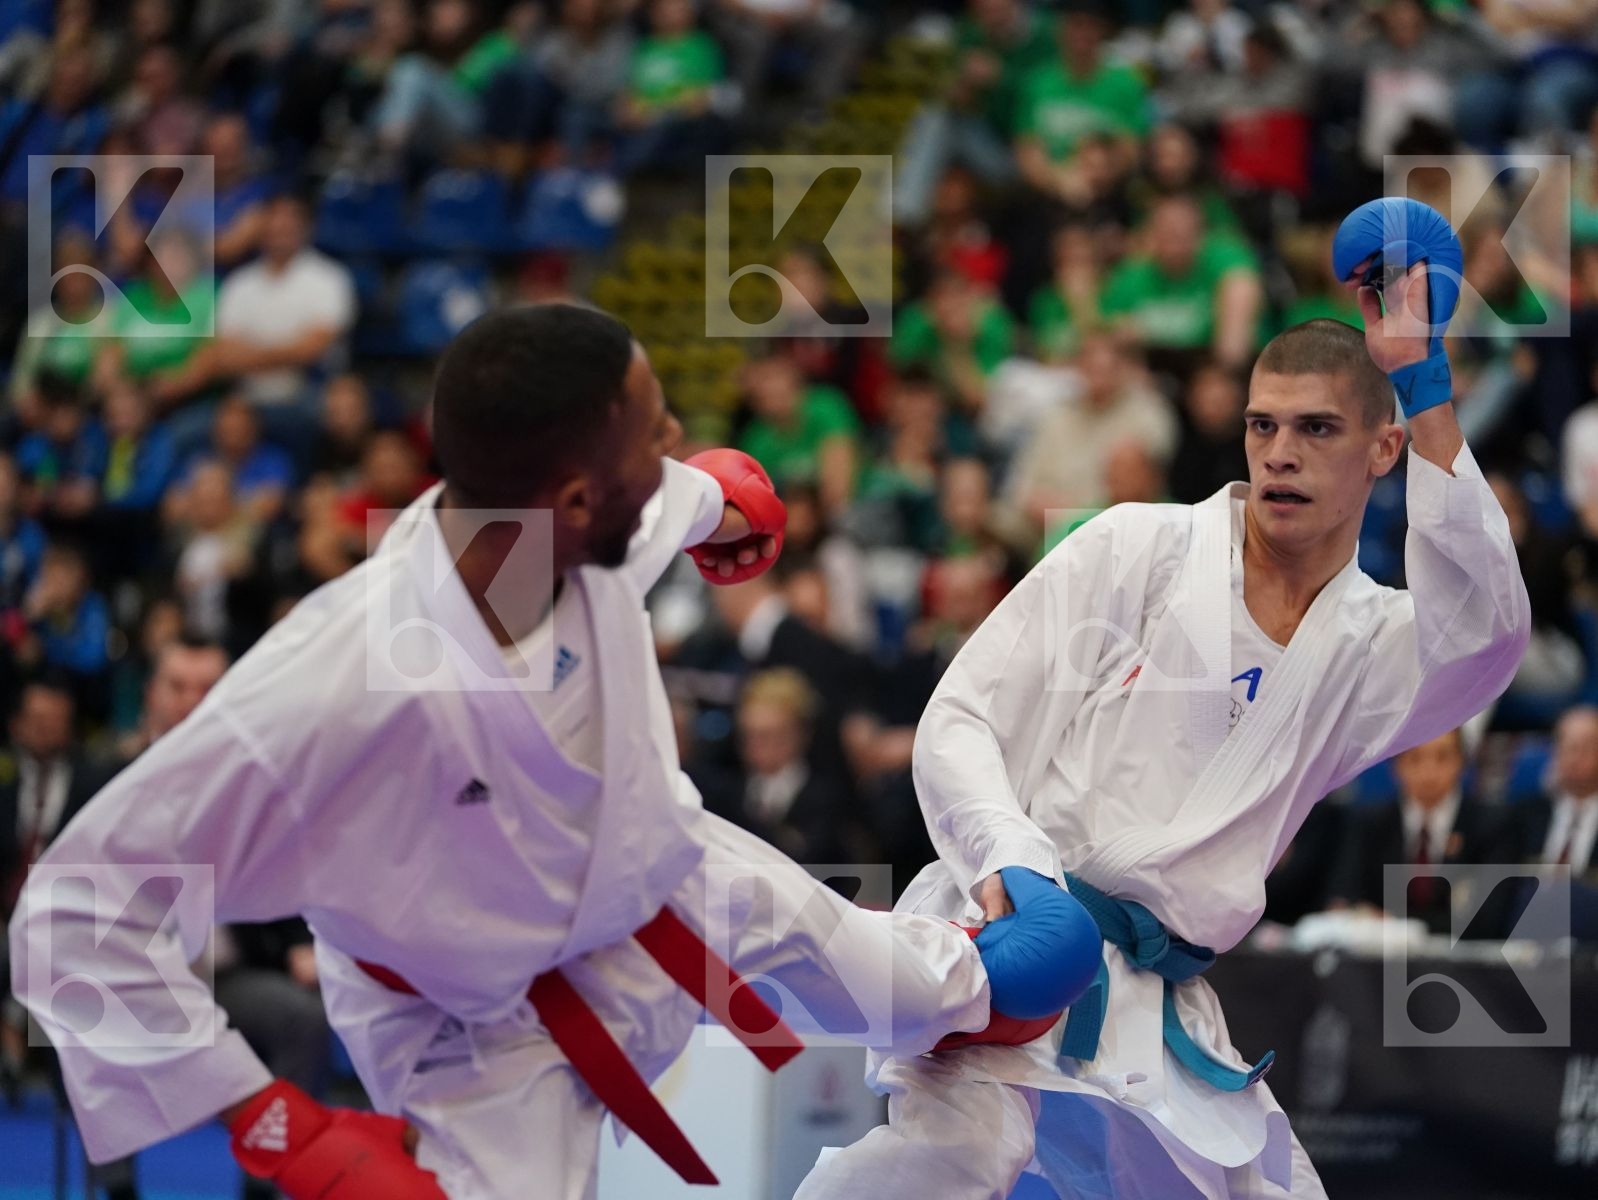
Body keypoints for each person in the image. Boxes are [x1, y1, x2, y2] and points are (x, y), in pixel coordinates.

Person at [9, 304, 1087, 1200]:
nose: (672, 457)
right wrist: (272, 1123)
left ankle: (960, 982)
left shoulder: (590, 510)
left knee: (994, 978)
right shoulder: (328, 690)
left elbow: (683, 495)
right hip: (470, 1024)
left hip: (666, 880)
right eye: (657, 436)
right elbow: (73, 914)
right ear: (575, 499)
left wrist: (724, 499)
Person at [798, 219, 1531, 1198]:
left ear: (1381, 449)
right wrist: (1014, 871)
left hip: (1157, 1001)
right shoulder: (1136, 548)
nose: (1279, 452)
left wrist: (1424, 383)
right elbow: (960, 721)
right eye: (1261, 425)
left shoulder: (1370, 646)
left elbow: (1485, 637)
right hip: (1022, 933)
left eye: (1315, 429)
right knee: (960, 1154)